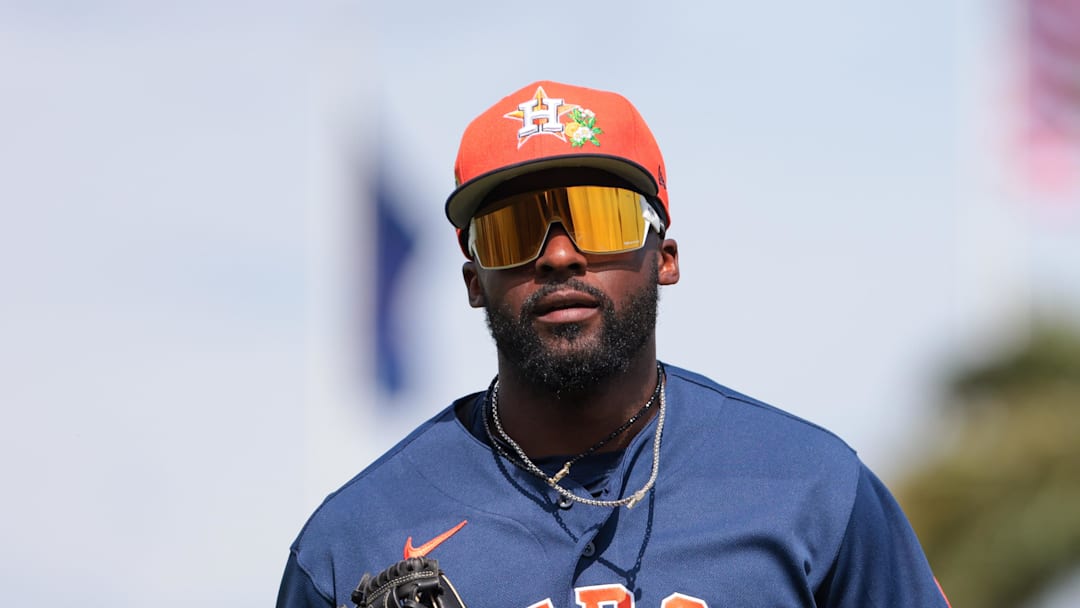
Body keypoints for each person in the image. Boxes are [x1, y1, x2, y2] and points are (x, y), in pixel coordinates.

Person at [277, 81, 950, 608]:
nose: (561, 255)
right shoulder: (354, 538)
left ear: (667, 256)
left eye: (602, 219)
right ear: (474, 280)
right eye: (515, 231)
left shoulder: (811, 487)